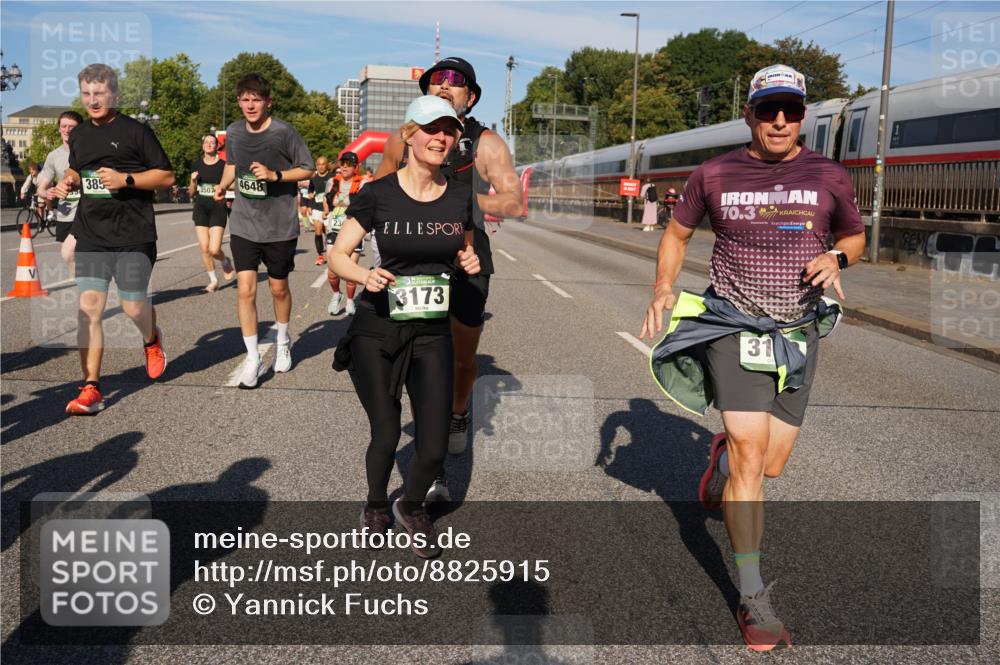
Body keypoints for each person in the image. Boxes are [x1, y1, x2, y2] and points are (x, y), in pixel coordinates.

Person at [639, 64, 866, 651]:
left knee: (770, 465)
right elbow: (676, 234)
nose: (781, 121)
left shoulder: (829, 176)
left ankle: (717, 466)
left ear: (804, 115)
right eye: (769, 110)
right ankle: (753, 597)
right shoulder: (713, 173)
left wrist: (837, 260)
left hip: (799, 330)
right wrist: (664, 286)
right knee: (749, 454)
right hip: (732, 322)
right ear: (750, 114)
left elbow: (855, 238)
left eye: (791, 110)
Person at [330, 96, 480, 558]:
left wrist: (467, 259)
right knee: (388, 432)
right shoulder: (378, 192)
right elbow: (338, 254)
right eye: (431, 129)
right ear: (409, 135)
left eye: (449, 131)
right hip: (378, 328)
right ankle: (377, 504)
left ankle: (409, 504)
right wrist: (363, 275)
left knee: (433, 449)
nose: (441, 138)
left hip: (432, 330)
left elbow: (464, 247)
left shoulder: (459, 194)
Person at [375, 56, 522, 502]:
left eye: (455, 82)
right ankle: (431, 465)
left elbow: (513, 202)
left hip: (467, 261)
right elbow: (376, 195)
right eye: (435, 80)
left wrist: (461, 200)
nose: (444, 86)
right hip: (412, 263)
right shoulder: (401, 140)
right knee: (420, 363)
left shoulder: (486, 143)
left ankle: (458, 411)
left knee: (460, 360)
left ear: (470, 97)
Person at [50, 63, 174, 415]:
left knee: (134, 305)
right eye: (87, 94)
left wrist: (126, 181)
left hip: (134, 233)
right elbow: (77, 165)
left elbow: (165, 176)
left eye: (99, 93)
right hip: (91, 233)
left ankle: (151, 338)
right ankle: (91, 387)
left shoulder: (136, 131)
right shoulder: (80, 135)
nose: (93, 100)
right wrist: (71, 179)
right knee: (89, 310)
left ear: (114, 94)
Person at [214, 73, 315, 389]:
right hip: (244, 222)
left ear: (268, 101)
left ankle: (283, 340)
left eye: (255, 99)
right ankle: (253, 356)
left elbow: (307, 168)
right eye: (244, 99)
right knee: (245, 289)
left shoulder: (283, 132)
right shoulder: (233, 132)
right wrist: (222, 185)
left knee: (278, 288)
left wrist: (275, 175)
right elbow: (233, 164)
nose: (249, 105)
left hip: (279, 226)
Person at [37, 111, 84, 271]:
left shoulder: (90, 151)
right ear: (59, 128)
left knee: (77, 252)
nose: (67, 130)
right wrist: (46, 193)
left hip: (87, 211)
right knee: (68, 256)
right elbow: (41, 188)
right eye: (64, 126)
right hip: (65, 214)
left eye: (72, 127)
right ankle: (88, 287)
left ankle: (92, 287)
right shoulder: (53, 156)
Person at [188, 134, 235, 292]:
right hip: (201, 207)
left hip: (218, 207)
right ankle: (213, 281)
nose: (209, 144)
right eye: (206, 142)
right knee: (204, 248)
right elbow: (191, 192)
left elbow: (234, 185)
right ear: (202, 146)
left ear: (217, 147)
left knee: (214, 249)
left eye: (212, 142)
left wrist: (222, 187)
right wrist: (193, 182)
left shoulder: (224, 165)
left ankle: (225, 260)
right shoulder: (196, 164)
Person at [323, 151, 364, 316]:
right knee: (332, 270)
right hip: (334, 229)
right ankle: (335, 294)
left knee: (350, 271)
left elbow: (363, 205)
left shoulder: (362, 184)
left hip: (353, 230)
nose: (344, 167)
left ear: (355, 167)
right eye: (343, 164)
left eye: (348, 165)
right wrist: (327, 212)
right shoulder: (332, 182)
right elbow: (327, 200)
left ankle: (349, 301)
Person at [307, 156, 335, 265]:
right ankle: (320, 255)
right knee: (318, 230)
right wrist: (309, 202)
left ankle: (332, 254)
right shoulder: (313, 178)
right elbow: (310, 191)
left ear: (326, 165)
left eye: (323, 164)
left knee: (328, 231)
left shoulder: (332, 177)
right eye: (318, 164)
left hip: (329, 208)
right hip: (317, 207)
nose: (320, 166)